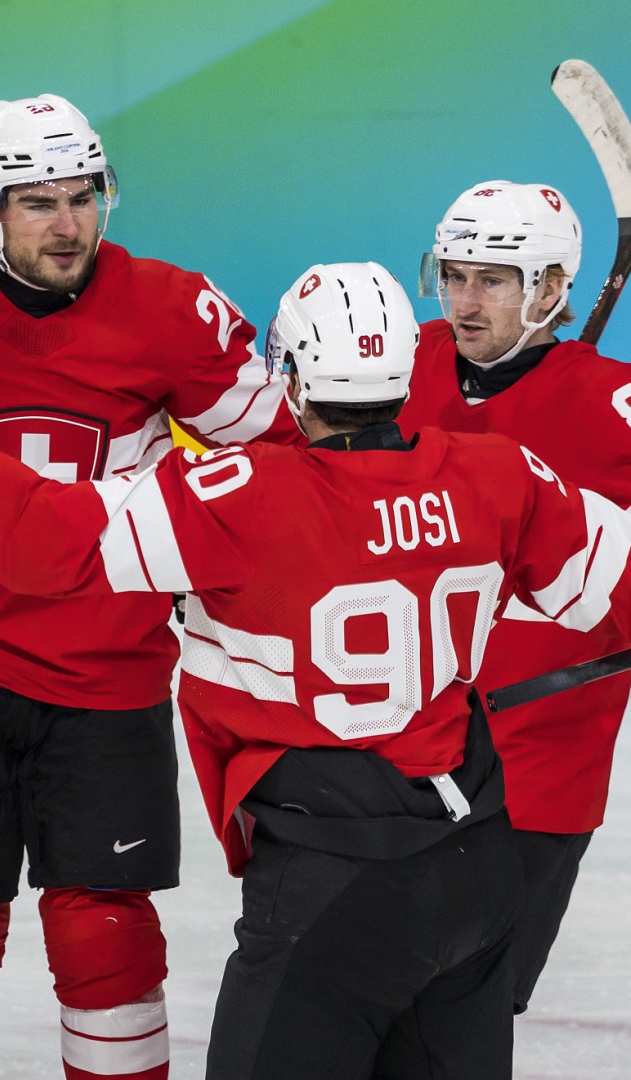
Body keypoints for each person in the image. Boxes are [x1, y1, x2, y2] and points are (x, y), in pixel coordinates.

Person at [0, 259, 631, 1078]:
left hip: (332, 878)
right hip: (480, 865)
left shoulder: (235, 495)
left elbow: (40, 542)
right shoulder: (500, 474)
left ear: (290, 378)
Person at [0, 92, 289, 1080]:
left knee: (104, 939)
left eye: (83, 197)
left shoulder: (171, 310)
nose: (68, 224)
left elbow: (288, 456)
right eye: (37, 202)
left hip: (106, 668)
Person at [397, 179, 631, 1016]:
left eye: (492, 281)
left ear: (554, 289)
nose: (464, 302)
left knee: (464, 1019)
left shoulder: (613, 405)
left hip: (539, 769)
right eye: (453, 276)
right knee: (371, 1008)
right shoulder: (406, 362)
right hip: (399, 760)